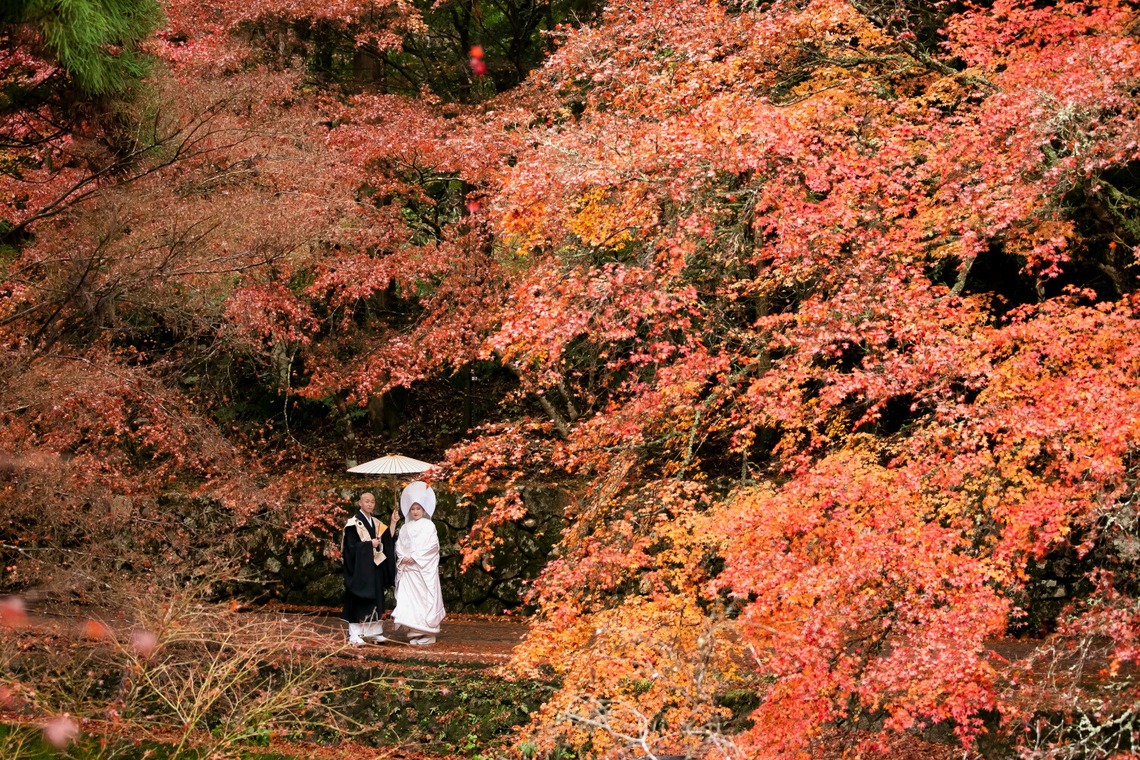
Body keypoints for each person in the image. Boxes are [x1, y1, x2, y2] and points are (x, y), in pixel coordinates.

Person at [391, 480, 445, 645]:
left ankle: (427, 633)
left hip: (422, 569)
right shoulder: (405, 528)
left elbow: (432, 547)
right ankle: (415, 632)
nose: (415, 512)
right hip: (409, 570)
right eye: (413, 509)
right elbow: (399, 545)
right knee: (409, 601)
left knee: (423, 600)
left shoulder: (429, 526)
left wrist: (414, 557)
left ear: (423, 510)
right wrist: (403, 557)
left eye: (418, 508)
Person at [341, 492, 398, 645]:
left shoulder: (376, 523)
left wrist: (393, 522)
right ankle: (355, 633)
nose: (370, 504)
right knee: (359, 599)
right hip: (360, 569)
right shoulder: (354, 524)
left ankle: (375, 631)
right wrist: (368, 545)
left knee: (377, 598)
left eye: (372, 501)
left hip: (375, 567)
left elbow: (386, 539)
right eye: (367, 501)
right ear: (360, 503)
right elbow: (350, 549)